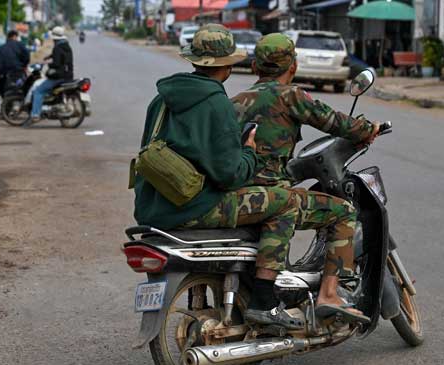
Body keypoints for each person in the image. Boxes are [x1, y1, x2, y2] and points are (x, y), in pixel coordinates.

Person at [133, 24, 304, 329]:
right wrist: (249, 150)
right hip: (195, 208)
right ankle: (265, 299)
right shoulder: (217, 103)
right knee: (286, 201)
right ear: (227, 66)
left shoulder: (160, 101)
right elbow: (231, 175)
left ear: (194, 60)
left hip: (152, 209)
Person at [231, 33, 381, 323]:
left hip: (242, 196)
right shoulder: (292, 96)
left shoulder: (235, 102)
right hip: (274, 196)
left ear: (254, 67)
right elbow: (332, 121)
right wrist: (366, 130)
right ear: (293, 66)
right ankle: (329, 293)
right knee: (343, 212)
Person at [25, 26, 73, 125]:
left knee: (38, 91)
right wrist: (49, 57)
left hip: (59, 76)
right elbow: (61, 57)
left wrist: (48, 64)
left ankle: (35, 114)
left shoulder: (57, 47)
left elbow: (57, 63)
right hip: (68, 75)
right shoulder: (66, 46)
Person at [0, 30, 30, 98]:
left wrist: (0, 72)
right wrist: (24, 65)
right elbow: (27, 56)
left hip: (5, 74)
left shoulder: (1, 47)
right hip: (18, 71)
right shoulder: (20, 45)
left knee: (1, 88)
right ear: (15, 36)